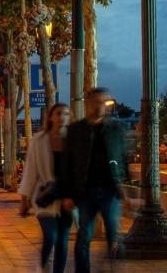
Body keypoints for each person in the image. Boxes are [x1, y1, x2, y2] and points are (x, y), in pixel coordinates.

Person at [63, 88, 129, 273]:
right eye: (96, 102)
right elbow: (68, 164)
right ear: (87, 103)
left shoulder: (116, 128)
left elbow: (123, 158)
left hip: (110, 190)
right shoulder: (75, 130)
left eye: (104, 102)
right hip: (85, 191)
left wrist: (125, 190)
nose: (100, 106)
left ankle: (115, 267)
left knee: (114, 234)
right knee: (84, 235)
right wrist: (68, 194)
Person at [18, 103, 74, 273]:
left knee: (63, 241)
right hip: (45, 196)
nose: (61, 117)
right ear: (50, 117)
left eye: (65, 114)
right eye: (58, 113)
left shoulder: (73, 140)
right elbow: (31, 169)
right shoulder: (39, 140)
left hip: (67, 197)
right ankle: (42, 265)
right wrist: (25, 197)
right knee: (51, 236)